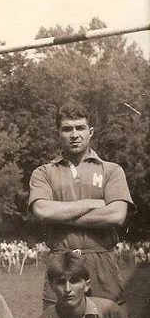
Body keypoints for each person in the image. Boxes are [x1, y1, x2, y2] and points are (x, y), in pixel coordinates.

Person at [29, 101, 133, 306]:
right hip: (61, 262)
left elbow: (116, 215)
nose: (74, 134)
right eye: (67, 129)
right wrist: (92, 203)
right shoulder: (44, 172)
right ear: (57, 133)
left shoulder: (111, 170)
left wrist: (60, 215)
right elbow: (41, 211)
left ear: (90, 131)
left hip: (101, 261)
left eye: (80, 128)